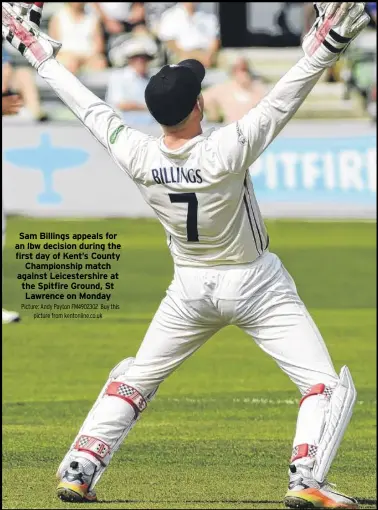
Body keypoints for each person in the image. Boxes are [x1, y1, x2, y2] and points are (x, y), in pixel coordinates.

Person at [2, 2, 369, 508]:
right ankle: (305, 475)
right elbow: (283, 100)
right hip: (255, 282)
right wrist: (324, 48)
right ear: (199, 107)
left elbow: (89, 108)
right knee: (325, 387)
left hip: (189, 289)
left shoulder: (135, 152)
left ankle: (79, 467)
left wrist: (41, 59)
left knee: (137, 378)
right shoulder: (227, 149)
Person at [106, 37, 157, 126]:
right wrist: (150, 108)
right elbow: (120, 104)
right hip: (126, 128)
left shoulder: (152, 78)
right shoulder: (118, 77)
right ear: (129, 60)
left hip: (151, 127)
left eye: (144, 58)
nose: (141, 61)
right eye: (136, 57)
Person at [48, 2, 107, 74]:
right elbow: (53, 47)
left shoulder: (93, 18)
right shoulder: (57, 17)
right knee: (70, 64)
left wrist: (81, 59)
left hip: (88, 58)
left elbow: (99, 47)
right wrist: (72, 58)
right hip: (65, 57)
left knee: (100, 63)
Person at [203, 57, 267, 123]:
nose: (242, 74)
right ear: (232, 72)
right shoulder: (224, 88)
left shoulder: (258, 87)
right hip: (231, 128)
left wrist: (249, 88)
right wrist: (211, 109)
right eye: (237, 69)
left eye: (244, 70)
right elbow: (201, 99)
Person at [158, 2, 220, 68]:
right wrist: (192, 56)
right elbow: (170, 43)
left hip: (207, 54)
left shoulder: (209, 14)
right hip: (183, 54)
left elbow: (215, 39)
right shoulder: (169, 16)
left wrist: (208, 56)